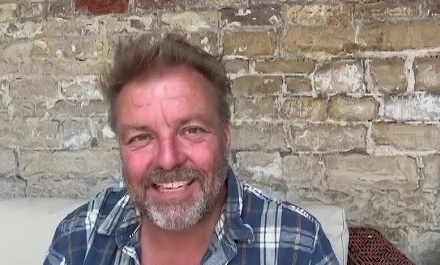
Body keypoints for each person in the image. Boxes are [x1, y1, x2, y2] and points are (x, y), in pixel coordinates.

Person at [43, 33, 339, 265]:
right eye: (141, 137)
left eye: (192, 130)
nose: (168, 160)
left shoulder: (298, 245)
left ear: (225, 137)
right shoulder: (78, 238)